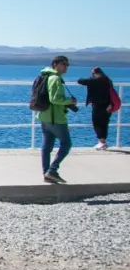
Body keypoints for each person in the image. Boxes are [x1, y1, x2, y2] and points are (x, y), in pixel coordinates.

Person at [37, 55, 78, 184]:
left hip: (44, 117)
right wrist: (69, 101)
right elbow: (55, 99)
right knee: (66, 144)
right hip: (56, 119)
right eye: (63, 64)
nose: (66, 67)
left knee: (47, 146)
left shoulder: (46, 76)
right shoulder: (56, 79)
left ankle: (46, 173)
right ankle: (52, 170)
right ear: (55, 64)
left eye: (67, 64)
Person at [77, 67, 115, 150]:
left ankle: (101, 142)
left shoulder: (94, 80)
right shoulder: (108, 80)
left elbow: (80, 81)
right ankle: (103, 142)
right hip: (108, 105)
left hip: (98, 105)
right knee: (104, 123)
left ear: (95, 73)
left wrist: (91, 78)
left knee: (96, 123)